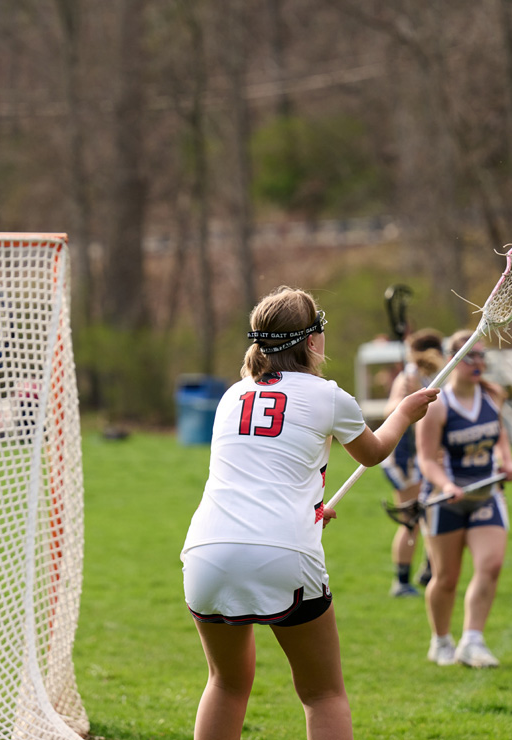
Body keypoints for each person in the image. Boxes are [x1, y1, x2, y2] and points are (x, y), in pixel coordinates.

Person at [180, 286, 439, 740]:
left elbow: (255, 475)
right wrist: (402, 413)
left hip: (207, 551)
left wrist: (309, 508)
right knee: (322, 695)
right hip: (283, 553)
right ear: (313, 340)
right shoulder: (328, 395)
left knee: (225, 683)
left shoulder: (231, 396)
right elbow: (373, 452)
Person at [415, 330, 512, 668]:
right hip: (446, 500)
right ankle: (441, 640)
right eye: (469, 357)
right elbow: (426, 459)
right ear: (452, 361)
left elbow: (498, 434)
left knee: (490, 565)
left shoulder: (492, 396)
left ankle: (473, 640)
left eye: (481, 356)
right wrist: (445, 485)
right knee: (445, 578)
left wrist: (508, 460)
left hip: (486, 494)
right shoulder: (437, 405)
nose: (478, 363)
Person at [381, 329, 445, 597]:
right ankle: (402, 581)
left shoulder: (428, 375)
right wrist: (402, 400)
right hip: (403, 457)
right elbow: (390, 411)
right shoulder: (409, 376)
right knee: (412, 519)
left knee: (428, 514)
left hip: (418, 457)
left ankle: (428, 569)